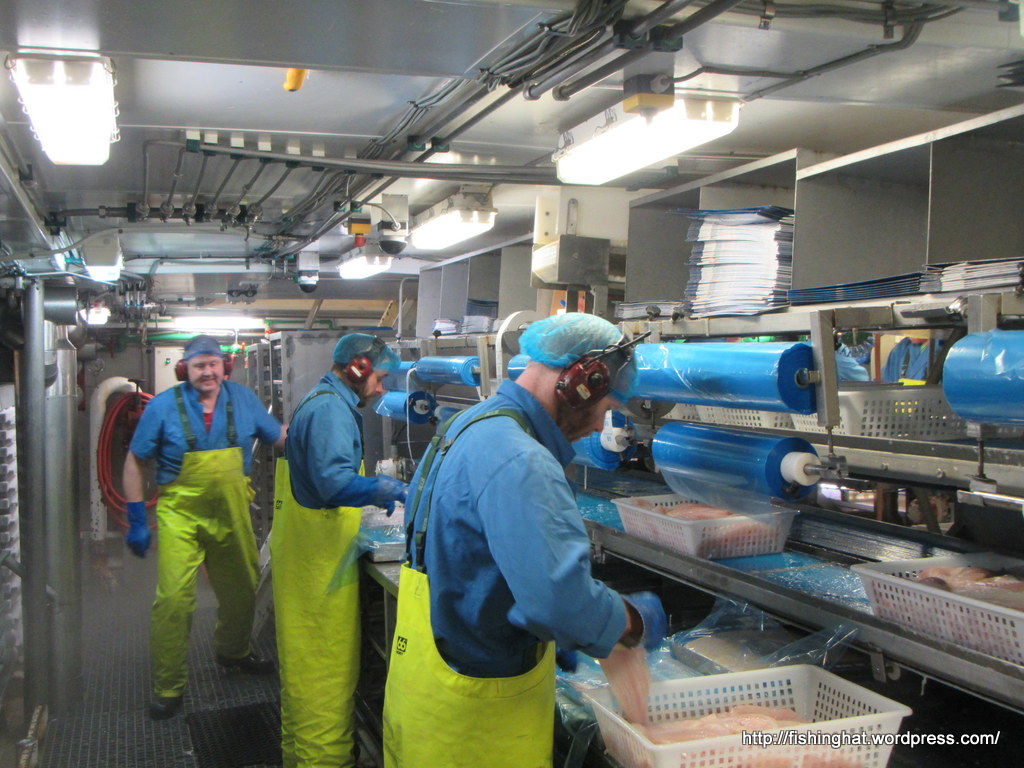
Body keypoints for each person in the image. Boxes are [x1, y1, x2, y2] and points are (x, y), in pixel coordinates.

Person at [382, 313, 667, 768]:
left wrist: (540, 629)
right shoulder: (521, 459)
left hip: (427, 698)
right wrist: (631, 622)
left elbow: (471, 564)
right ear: (581, 383)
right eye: (606, 406)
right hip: (478, 727)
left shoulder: (469, 424)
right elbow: (559, 604)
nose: (600, 426)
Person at [122, 334, 287, 719]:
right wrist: (136, 518)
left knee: (243, 588)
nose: (207, 372)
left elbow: (279, 436)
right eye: (199, 365)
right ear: (185, 370)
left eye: (213, 364)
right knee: (173, 600)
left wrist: (314, 437)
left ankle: (234, 652)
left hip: (231, 510)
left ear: (224, 366)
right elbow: (135, 462)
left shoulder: (243, 400)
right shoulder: (162, 407)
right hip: (180, 514)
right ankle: (168, 686)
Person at [271, 333, 407, 768]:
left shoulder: (322, 400)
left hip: (308, 564)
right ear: (358, 368)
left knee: (304, 685)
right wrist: (385, 488)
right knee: (324, 685)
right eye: (380, 378)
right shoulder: (331, 409)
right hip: (317, 576)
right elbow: (333, 483)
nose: (381, 389)